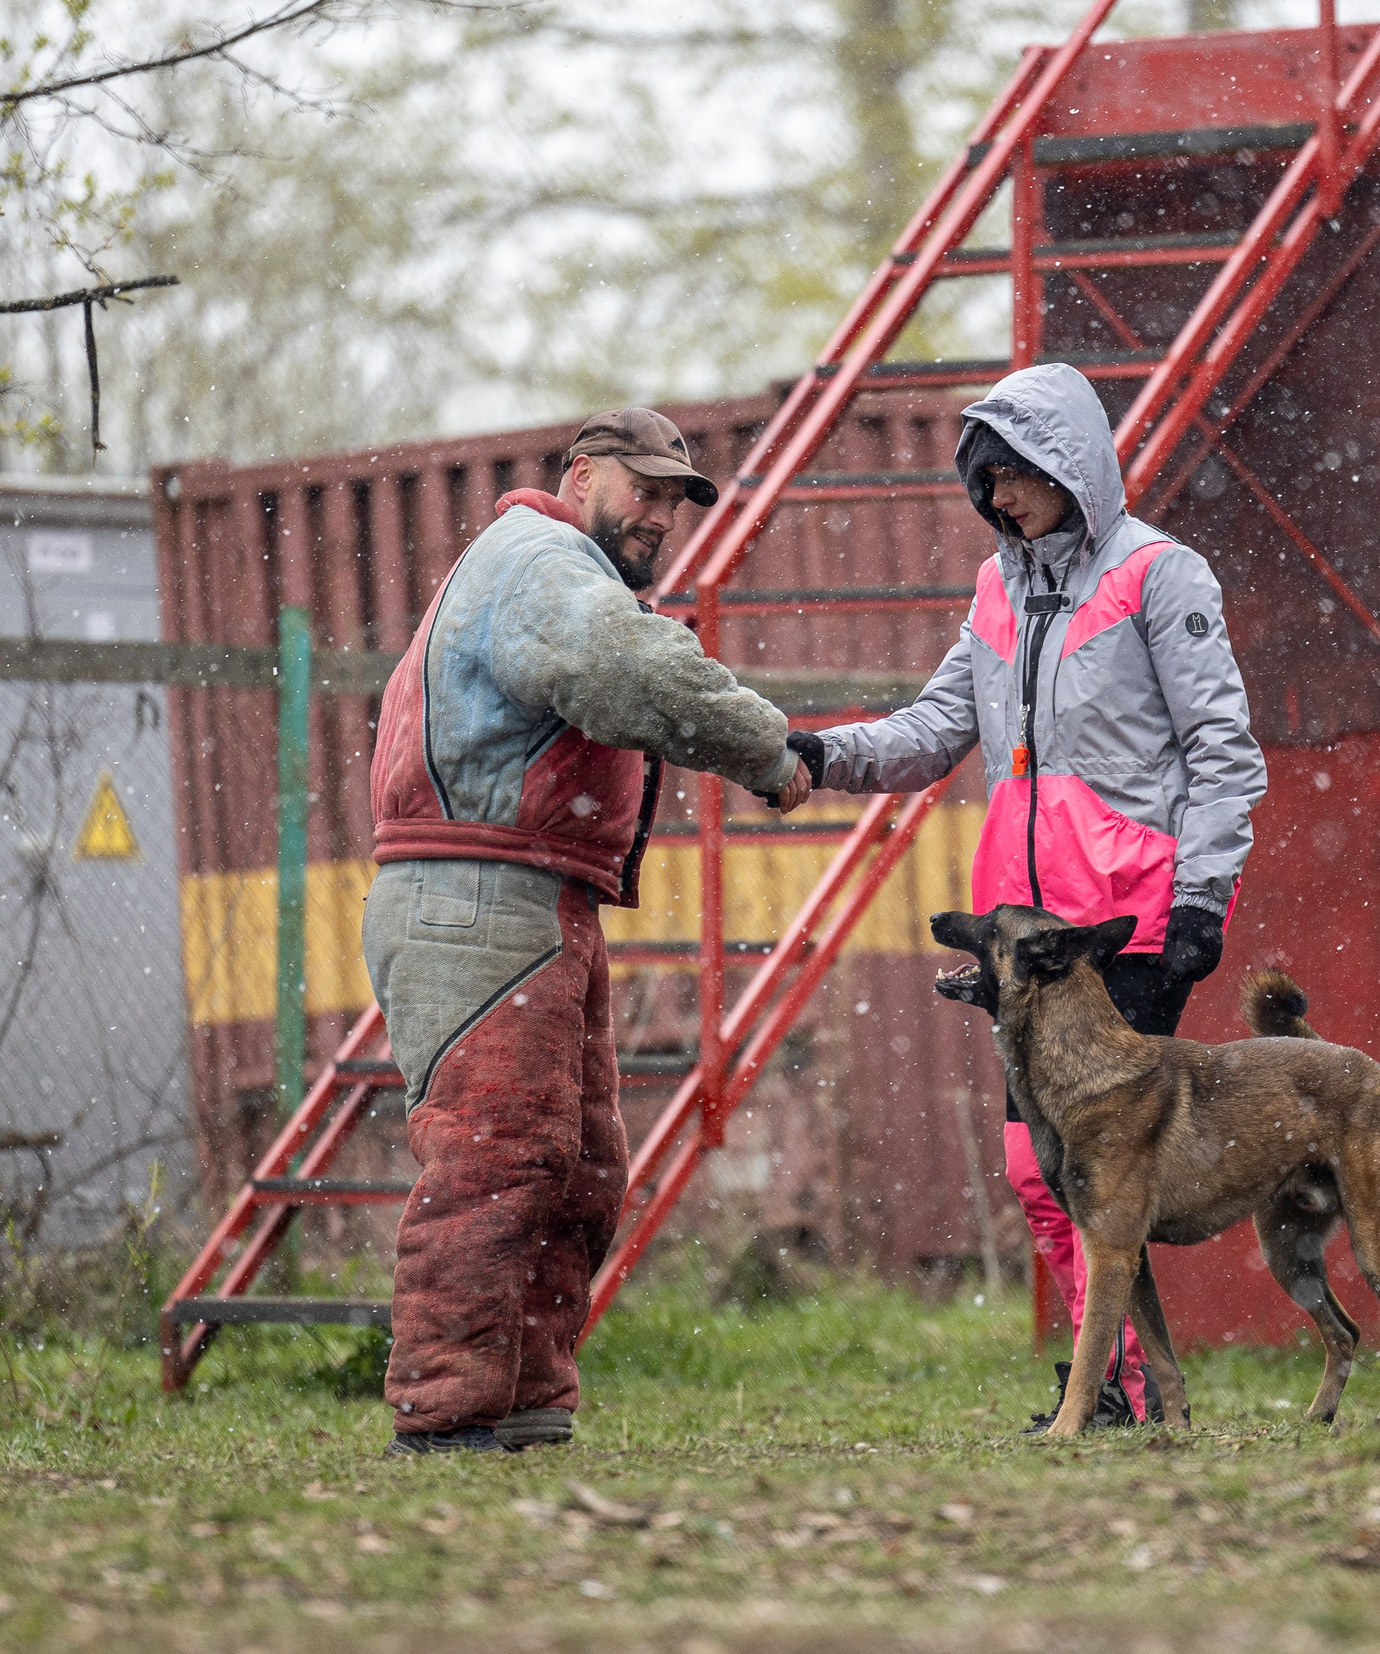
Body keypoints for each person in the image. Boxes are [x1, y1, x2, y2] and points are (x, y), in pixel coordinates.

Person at [786, 362, 1266, 1427]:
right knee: (1037, 1169)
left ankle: (1121, 1392)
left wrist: (1202, 898)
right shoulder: (997, 586)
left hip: (1128, 930)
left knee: (1096, 1177)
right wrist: (815, 754)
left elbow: (1221, 751)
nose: (997, 494)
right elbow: (929, 731)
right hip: (1026, 947)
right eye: (984, 476)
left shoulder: (1159, 575)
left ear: (1071, 466)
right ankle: (1127, 1387)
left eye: (1015, 473)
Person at [366, 407, 811, 1457]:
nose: (658, 515)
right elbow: (632, 672)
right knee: (497, 1159)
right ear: (579, 478)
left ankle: (519, 1398)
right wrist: (766, 749)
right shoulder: (543, 560)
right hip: (477, 893)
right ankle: (449, 1409)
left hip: (530, 894)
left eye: (672, 500)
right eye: (642, 489)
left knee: (575, 1167)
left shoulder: (544, 564)